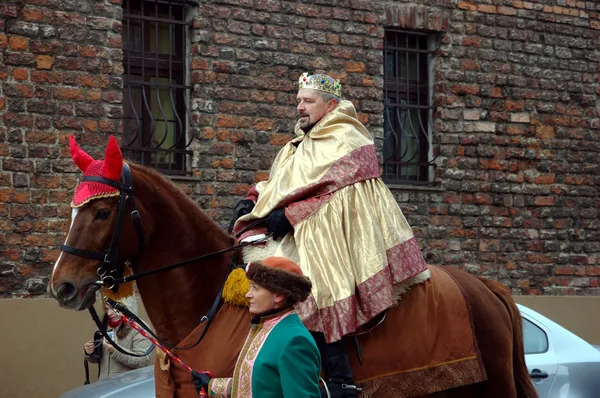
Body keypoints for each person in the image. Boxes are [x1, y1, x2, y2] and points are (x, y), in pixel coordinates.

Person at [231, 72, 430, 397]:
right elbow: (284, 183)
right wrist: (253, 199)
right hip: (304, 228)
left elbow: (339, 192)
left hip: (340, 229)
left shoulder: (347, 136)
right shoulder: (299, 144)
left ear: (331, 104)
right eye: (298, 100)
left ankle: (341, 378)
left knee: (315, 286)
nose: (300, 107)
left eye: (308, 101)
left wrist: (291, 215)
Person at [192, 256, 321, 397]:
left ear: (278, 295)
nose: (248, 295)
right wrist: (212, 385)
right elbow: (260, 384)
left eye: (255, 288)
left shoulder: (295, 341)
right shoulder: (262, 327)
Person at [83, 296, 152, 380]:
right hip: (103, 385)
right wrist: (90, 352)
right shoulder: (104, 326)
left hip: (126, 388)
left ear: (127, 308)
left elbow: (142, 361)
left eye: (114, 309)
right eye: (107, 309)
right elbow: (99, 359)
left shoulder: (139, 328)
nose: (109, 313)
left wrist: (115, 351)